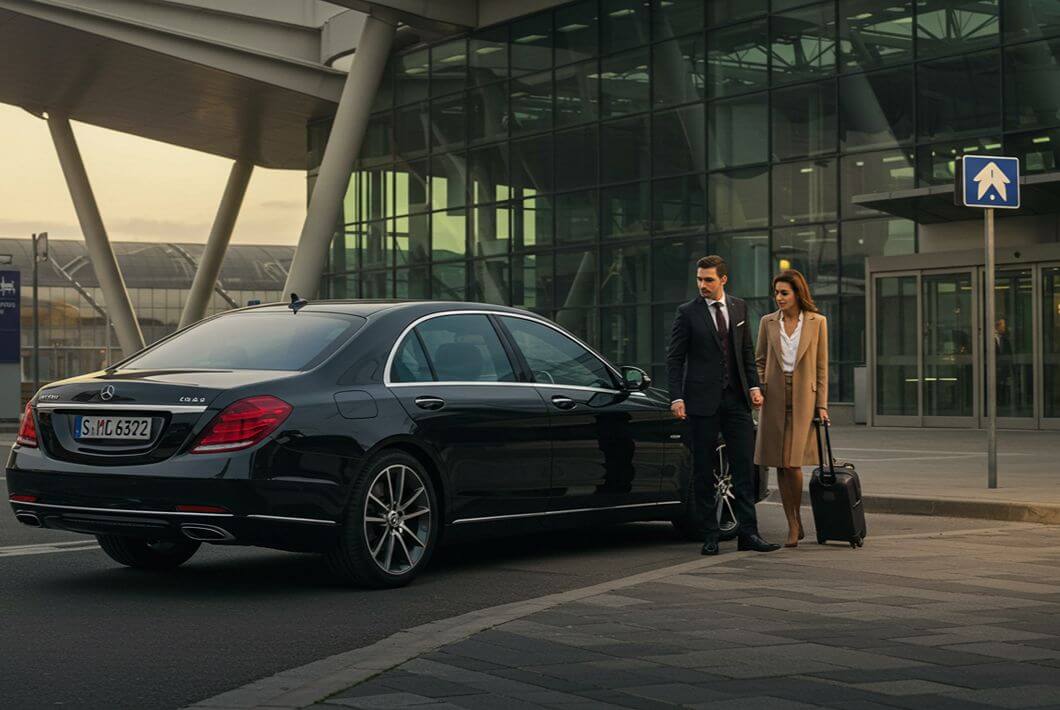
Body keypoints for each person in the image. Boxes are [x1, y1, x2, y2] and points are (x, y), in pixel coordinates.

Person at [667, 255, 781, 556]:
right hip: (701, 403)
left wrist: (754, 387)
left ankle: (749, 533)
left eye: (709, 280)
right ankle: (710, 535)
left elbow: (746, 352)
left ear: (723, 280)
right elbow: (675, 358)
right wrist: (676, 397)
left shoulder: (738, 307)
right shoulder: (687, 313)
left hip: (736, 400)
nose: (702, 285)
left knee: (744, 468)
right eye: (699, 279)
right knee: (703, 471)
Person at [754, 270, 829, 548]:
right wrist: (760, 386)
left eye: (784, 293)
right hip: (773, 397)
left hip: (804, 398)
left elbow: (821, 367)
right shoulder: (767, 322)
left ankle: (795, 521)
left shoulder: (817, 322)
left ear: (798, 293)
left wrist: (822, 405)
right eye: (776, 293)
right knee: (779, 462)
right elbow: (760, 359)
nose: (779, 297)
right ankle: (792, 523)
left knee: (792, 463)